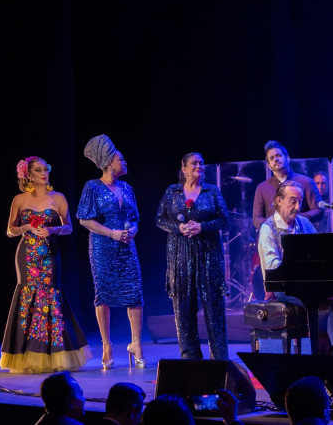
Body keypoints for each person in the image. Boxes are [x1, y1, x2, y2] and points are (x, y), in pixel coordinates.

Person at [0, 156, 91, 374]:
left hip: (50, 253)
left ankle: (55, 353)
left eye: (46, 169)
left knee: (50, 294)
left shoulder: (57, 197)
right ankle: (27, 353)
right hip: (27, 254)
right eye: (38, 170)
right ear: (28, 175)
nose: (44, 173)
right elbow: (10, 230)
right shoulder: (19, 199)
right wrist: (28, 226)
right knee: (28, 295)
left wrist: (52, 230)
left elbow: (68, 227)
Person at [258, 181, 333, 358]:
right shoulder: (267, 229)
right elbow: (272, 267)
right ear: (279, 200)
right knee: (326, 303)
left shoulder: (304, 223)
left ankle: (332, 349)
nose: (297, 206)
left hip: (314, 286)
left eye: (299, 202)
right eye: (292, 201)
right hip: (286, 289)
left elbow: (321, 251)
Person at [77, 135, 145, 369]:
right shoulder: (92, 187)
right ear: (108, 163)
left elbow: (135, 218)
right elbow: (85, 219)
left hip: (127, 245)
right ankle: (107, 345)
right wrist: (111, 233)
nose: (124, 163)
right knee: (103, 293)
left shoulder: (127, 188)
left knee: (134, 292)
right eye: (121, 159)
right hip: (103, 246)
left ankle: (136, 344)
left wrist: (132, 231)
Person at [155, 152, 230, 360]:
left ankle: (219, 357)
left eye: (201, 163)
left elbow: (224, 220)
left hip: (208, 254)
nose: (199, 166)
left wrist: (202, 226)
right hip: (180, 254)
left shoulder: (212, 191)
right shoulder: (172, 192)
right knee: (184, 305)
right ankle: (190, 355)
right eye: (194, 163)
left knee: (213, 305)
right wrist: (178, 227)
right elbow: (159, 219)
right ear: (184, 168)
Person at [252, 140, 324, 230]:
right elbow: (256, 219)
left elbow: (319, 210)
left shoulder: (306, 182)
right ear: (269, 166)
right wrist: (275, 224)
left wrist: (296, 218)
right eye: (272, 158)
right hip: (273, 240)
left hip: (301, 236)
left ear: (288, 158)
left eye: (278, 155)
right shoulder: (262, 188)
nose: (276, 159)